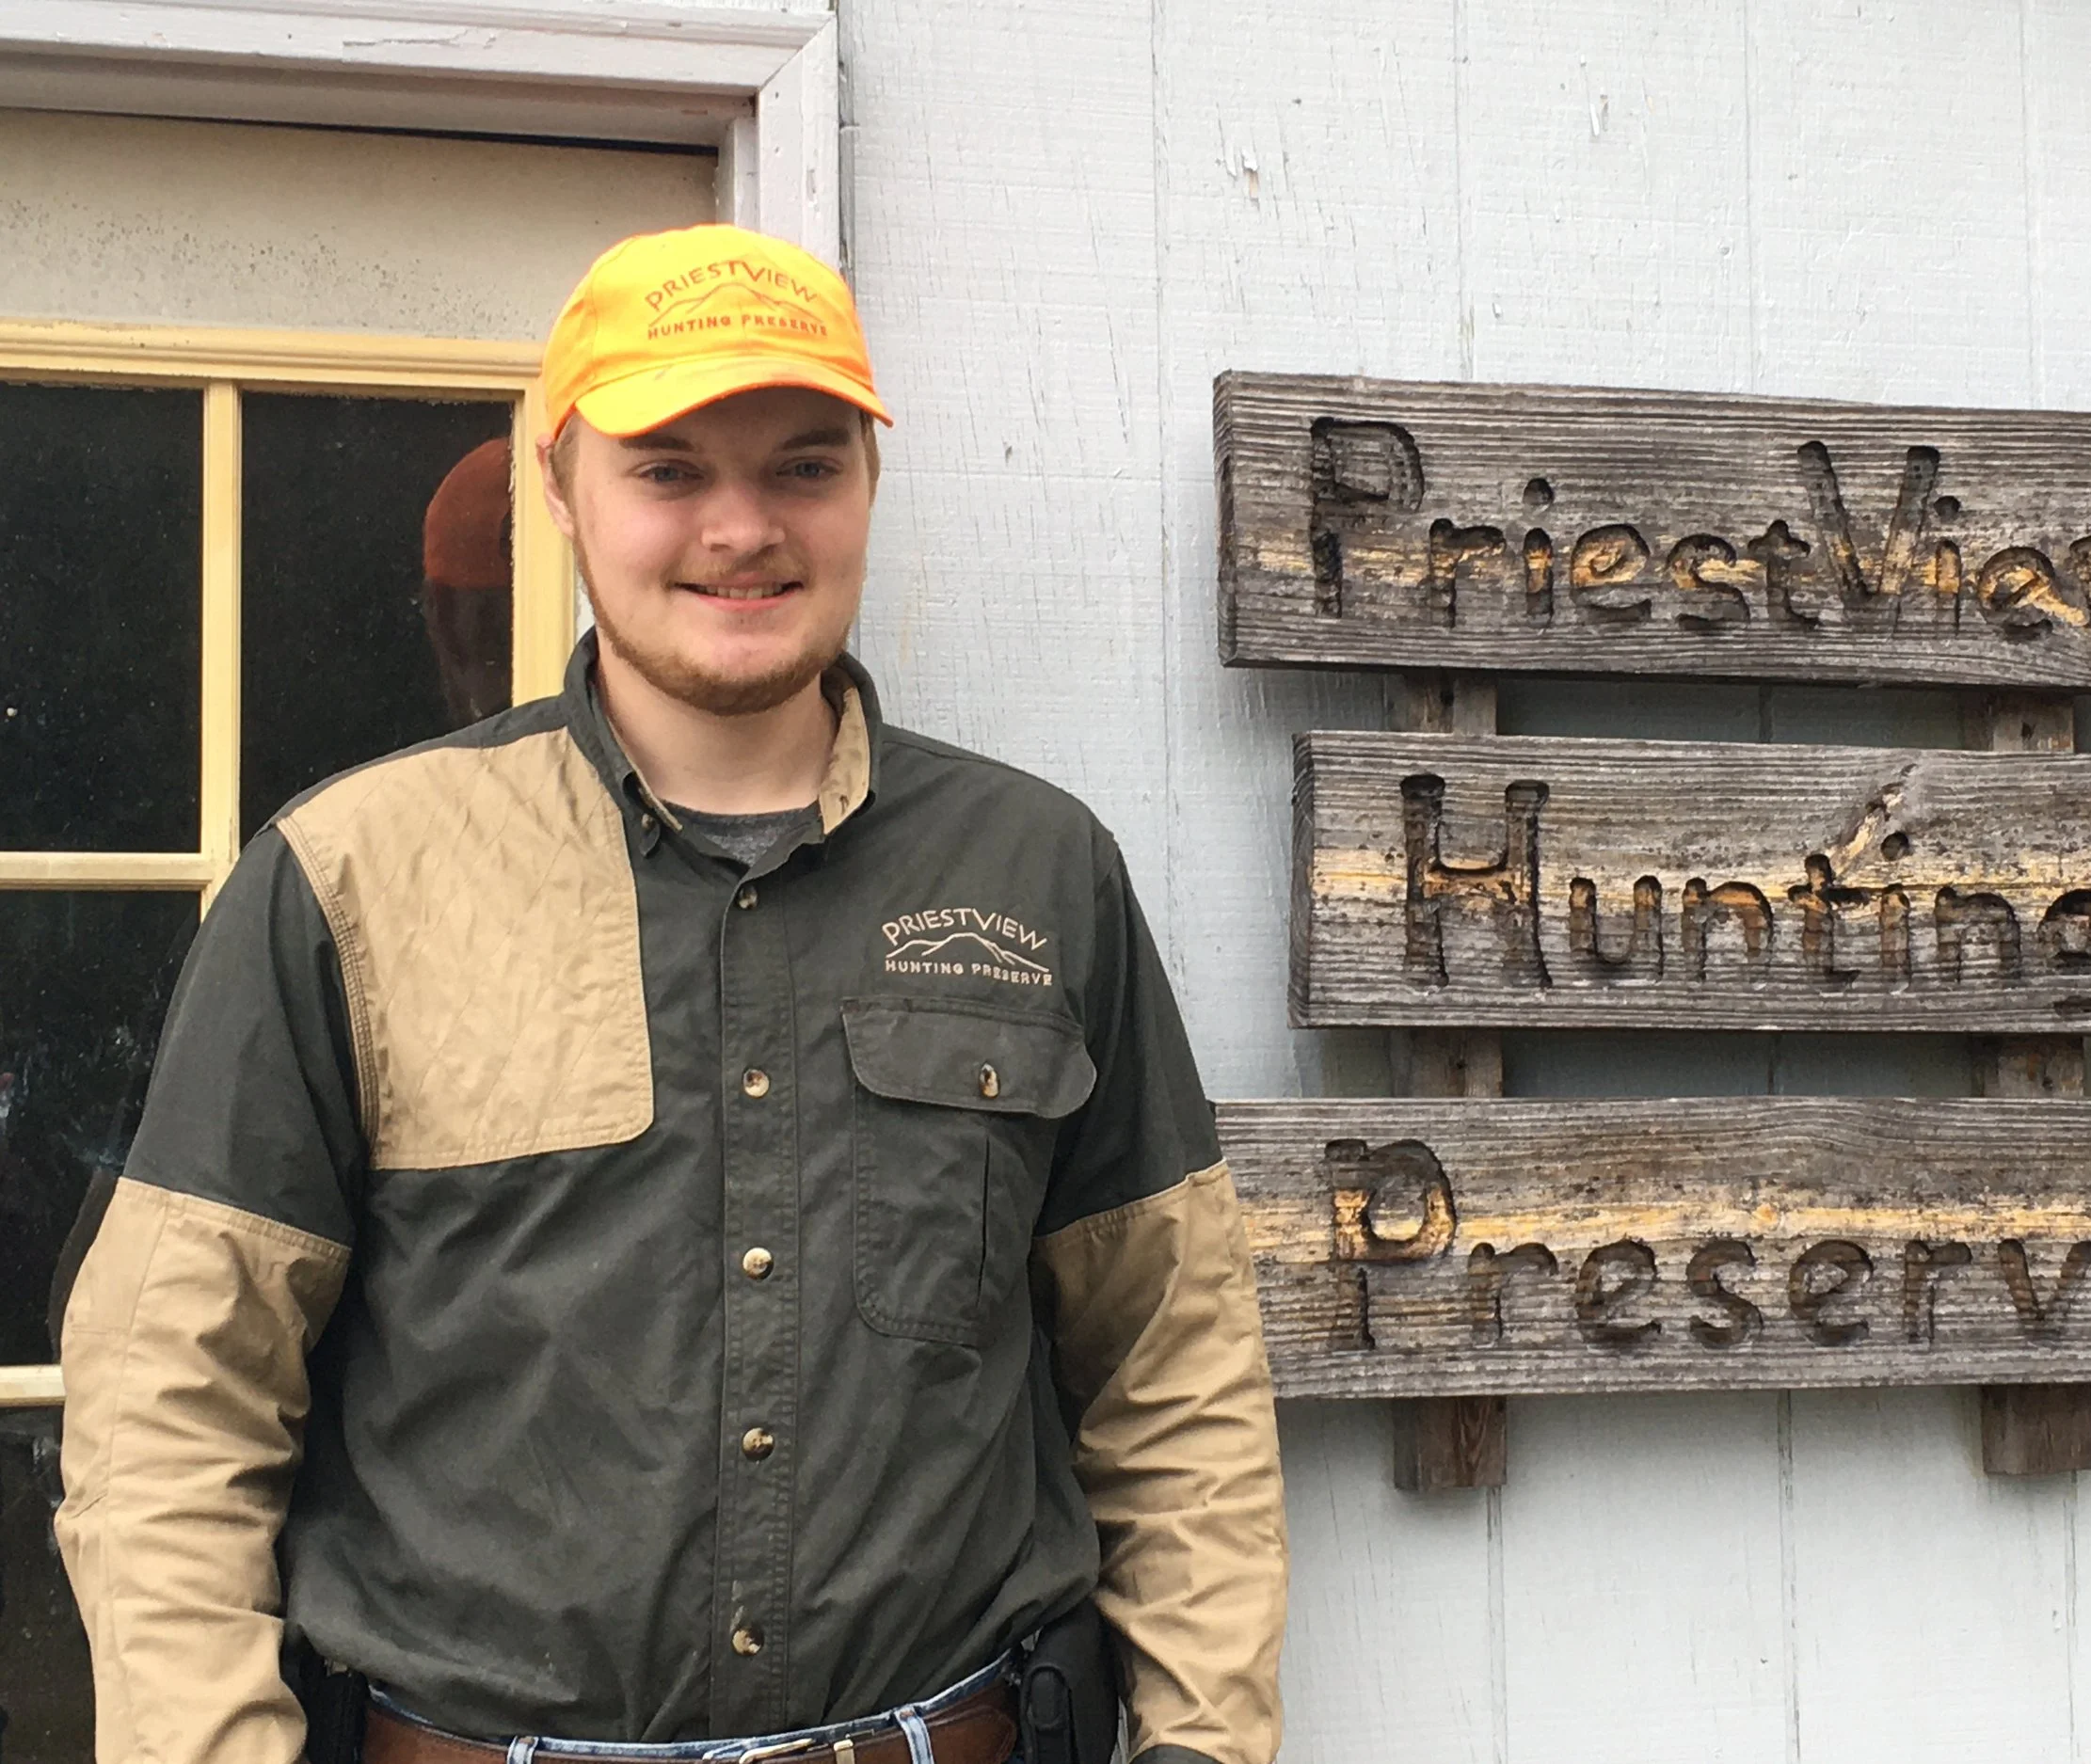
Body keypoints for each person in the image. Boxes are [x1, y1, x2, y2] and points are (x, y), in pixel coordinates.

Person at [54, 223, 1287, 1764]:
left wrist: (1202, 1744)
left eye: (803, 465)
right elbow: (173, 1408)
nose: (742, 526)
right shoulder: (348, 880)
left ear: (865, 491)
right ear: (560, 491)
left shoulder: (1041, 873)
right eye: (669, 469)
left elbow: (1175, 1368)